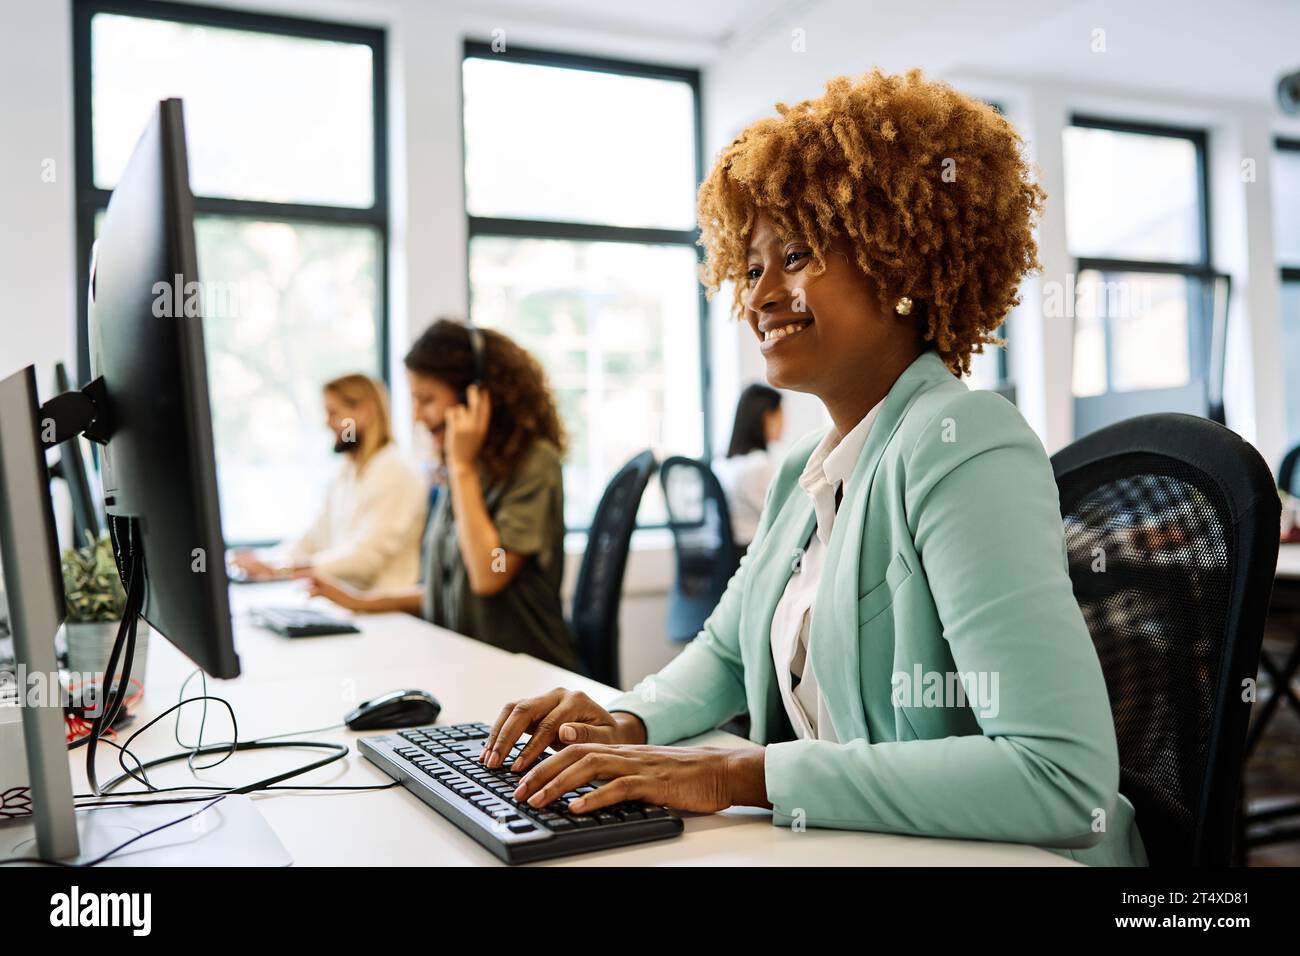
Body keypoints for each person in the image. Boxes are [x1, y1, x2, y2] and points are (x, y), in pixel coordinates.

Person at [476, 69, 1147, 866]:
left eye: (795, 255)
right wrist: (624, 723)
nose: (760, 294)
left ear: (900, 262)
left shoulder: (962, 442)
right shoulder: (809, 469)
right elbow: (728, 654)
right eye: (749, 266)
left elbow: (1061, 778)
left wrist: (734, 775)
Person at [308, 319, 578, 670]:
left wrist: (462, 467)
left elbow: (489, 573)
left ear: (475, 396)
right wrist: (362, 602)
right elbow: (448, 590)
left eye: (427, 400)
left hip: (524, 675)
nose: (417, 417)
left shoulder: (533, 464)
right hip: (463, 662)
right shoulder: (466, 468)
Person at [230, 374, 427, 590]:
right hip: (341, 599)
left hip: (379, 603)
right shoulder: (347, 472)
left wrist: (282, 569)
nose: (327, 423)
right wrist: (267, 561)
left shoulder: (395, 471)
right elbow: (314, 536)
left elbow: (365, 559)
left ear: (365, 411)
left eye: (334, 413)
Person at [712, 383, 783, 548]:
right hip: (754, 550)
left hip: (732, 552)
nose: (784, 423)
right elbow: (782, 517)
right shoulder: (759, 466)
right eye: (781, 415)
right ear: (767, 418)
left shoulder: (723, 463)